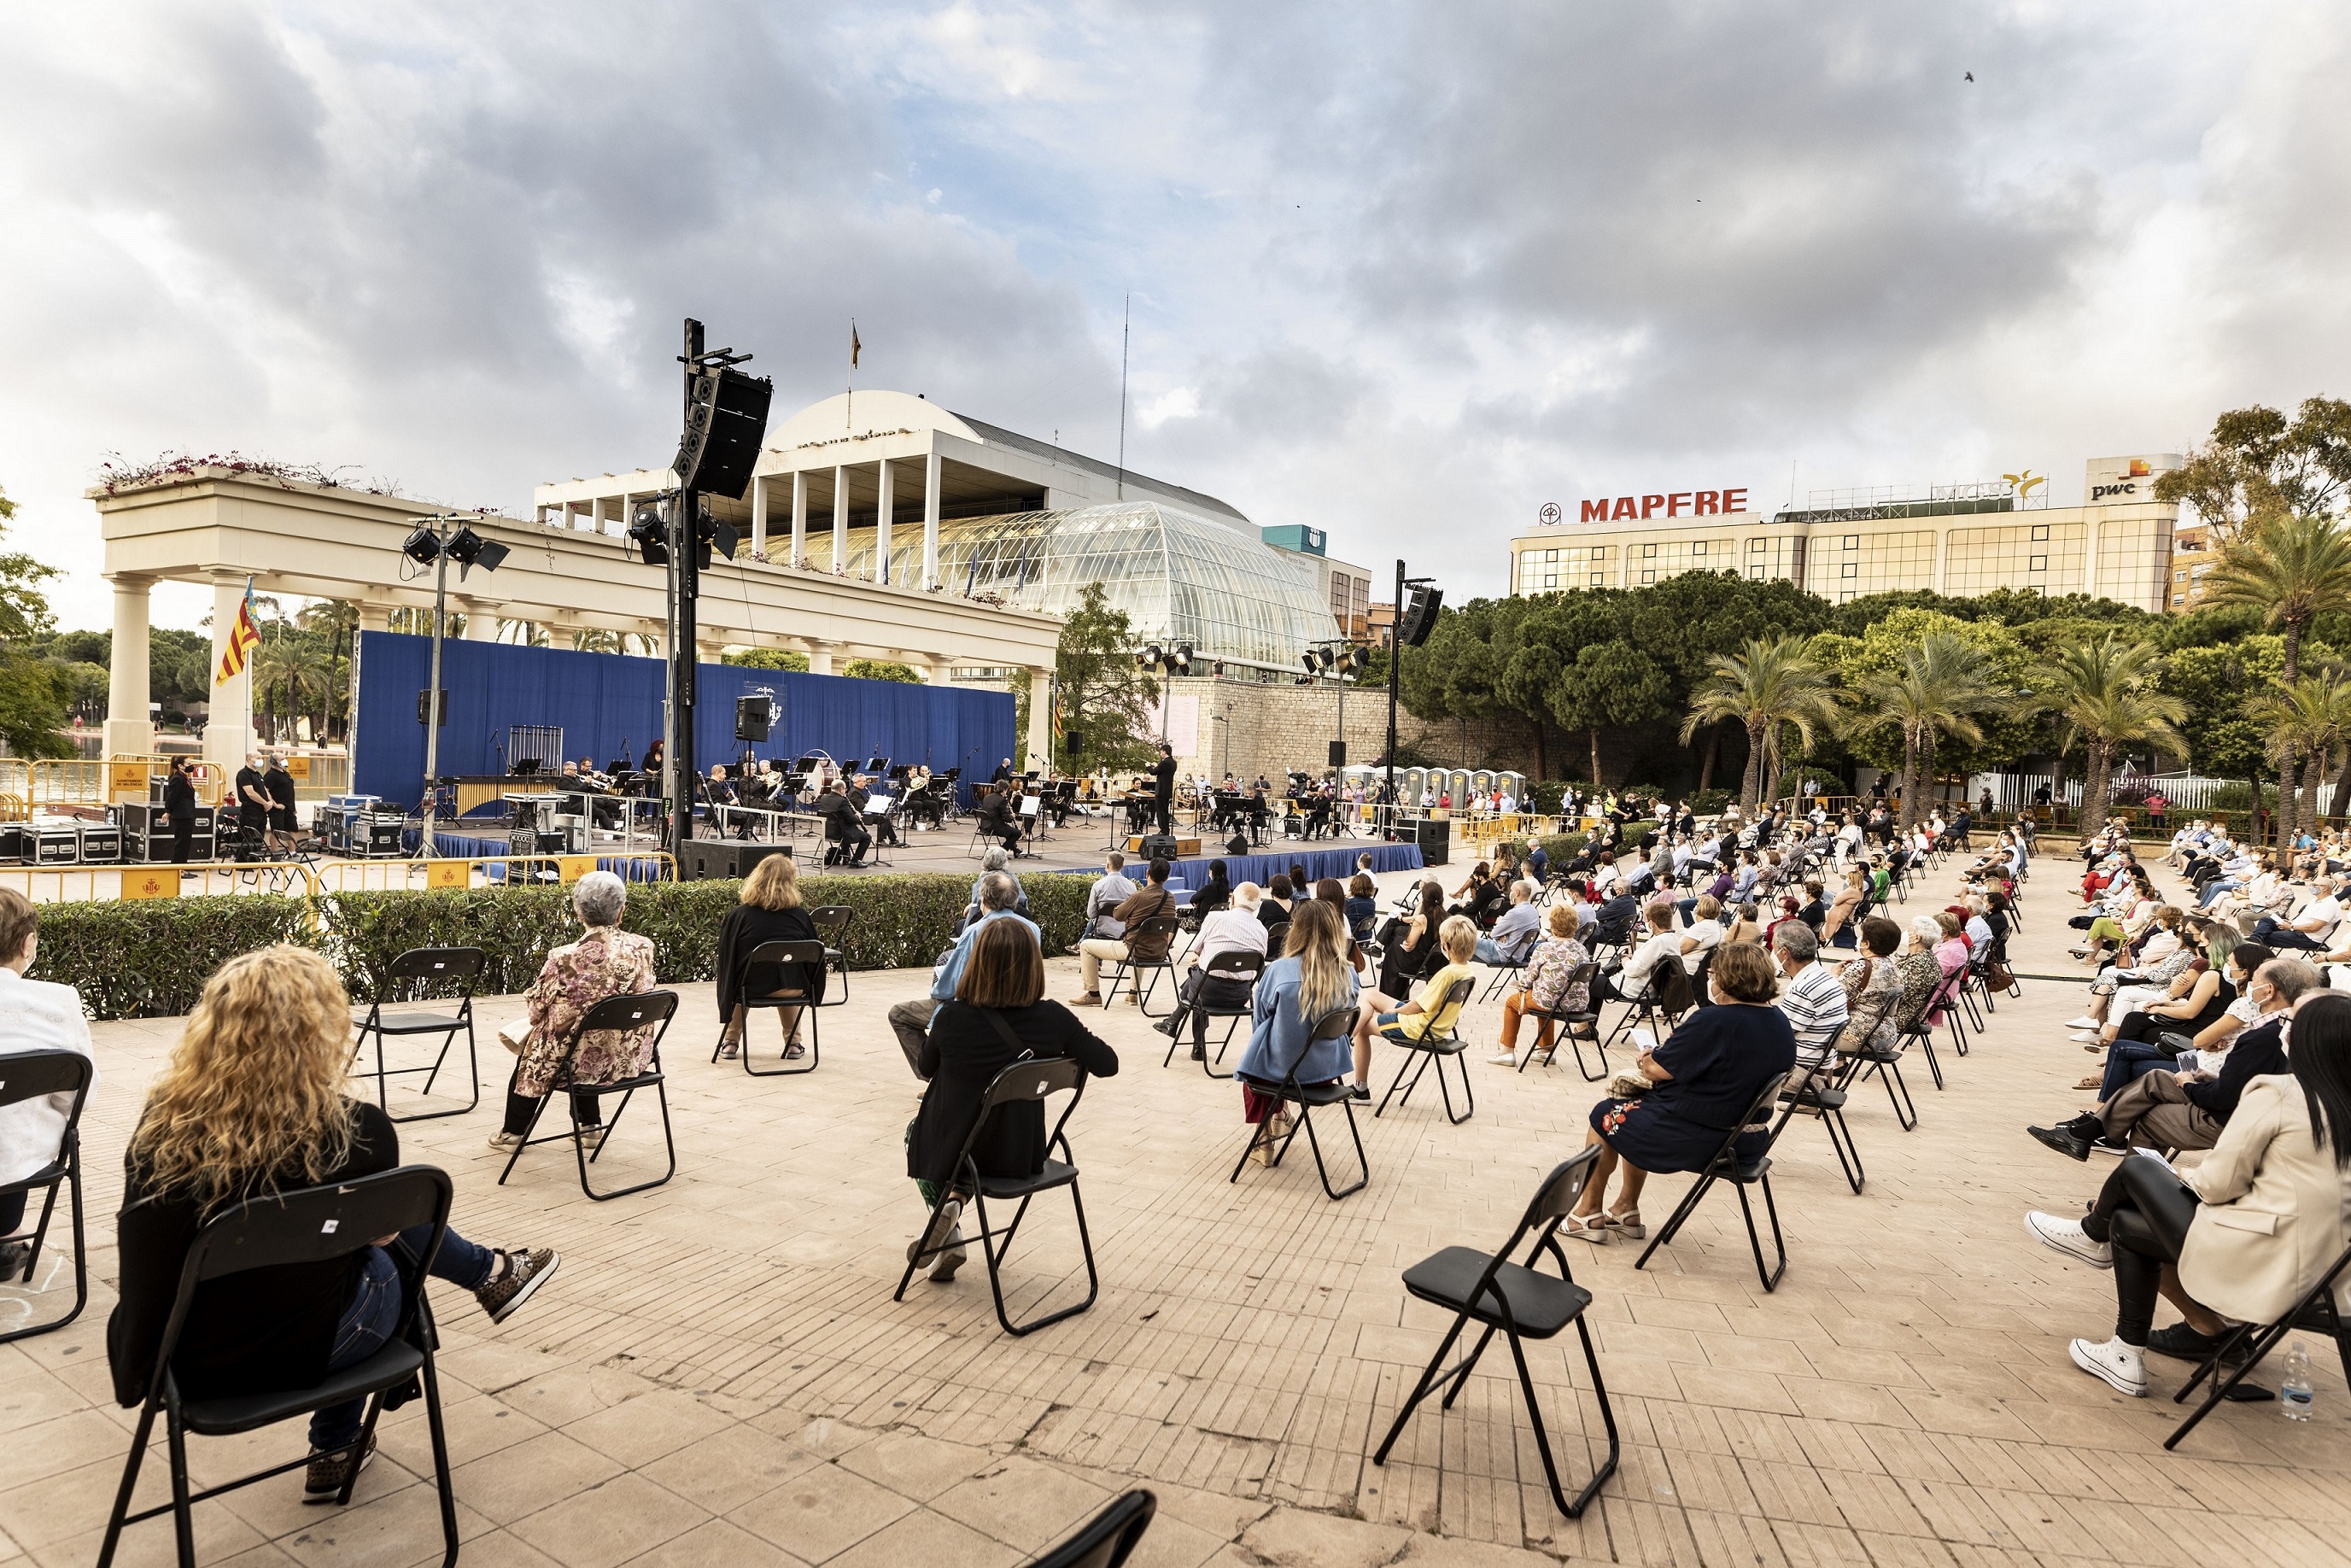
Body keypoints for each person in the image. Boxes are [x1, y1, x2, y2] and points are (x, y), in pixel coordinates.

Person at [108, 946, 559, 1501]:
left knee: (364, 1229)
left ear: (210, 1029)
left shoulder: (160, 1131)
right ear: (323, 1029)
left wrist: (141, 1358)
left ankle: (489, 1276)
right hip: (325, 1341)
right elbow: (385, 1239)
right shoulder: (359, 1131)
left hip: (187, 1358)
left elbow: (146, 1257)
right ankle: (338, 1440)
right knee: (383, 1239)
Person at [2025, 988, 2351, 1397]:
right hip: (2328, 1281)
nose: (2280, 1029)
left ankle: (2097, 1244)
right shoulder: (2336, 1101)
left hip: (2262, 1266)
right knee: (2132, 1213)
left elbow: (2217, 1184)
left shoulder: (2280, 1093)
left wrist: (2180, 1178)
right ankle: (2143, 1337)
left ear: (2307, 1039)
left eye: (2287, 1024)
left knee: (2140, 1171)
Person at [904, 918, 1119, 1282]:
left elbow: (926, 1066)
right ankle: (954, 1207)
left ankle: (950, 1220)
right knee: (976, 1139)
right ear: (1033, 967)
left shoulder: (952, 1016)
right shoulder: (1053, 1017)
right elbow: (1108, 1064)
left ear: (976, 963)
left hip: (959, 1154)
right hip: (1023, 1154)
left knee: (916, 1131)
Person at [1564, 941, 1797, 1244]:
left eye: (1713, 974)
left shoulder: (1715, 1020)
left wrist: (1647, 1058)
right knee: (1635, 1108)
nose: (1710, 980)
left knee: (1605, 1114)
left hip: (1704, 1138)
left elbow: (1658, 1069)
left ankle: (1588, 1212)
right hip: (1749, 1138)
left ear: (1728, 979)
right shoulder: (1779, 1021)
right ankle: (1625, 1209)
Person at [2032, 957, 2313, 1159]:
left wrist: (2191, 1081)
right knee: (2130, 1049)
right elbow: (2187, 1006)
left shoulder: (2242, 1003)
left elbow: (2198, 1030)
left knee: (2134, 1064)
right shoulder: (2255, 1008)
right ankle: (2094, 1127)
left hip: (2196, 1062)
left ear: (2267, 988)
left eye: (2236, 966)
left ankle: (2096, 1125)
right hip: (2199, 1060)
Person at [486, 873, 658, 1151]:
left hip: (577, 1058)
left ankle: (513, 1133)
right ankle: (590, 1126)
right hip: (629, 1056)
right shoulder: (643, 947)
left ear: (579, 913)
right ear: (621, 911)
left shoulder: (564, 956)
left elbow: (536, 1008)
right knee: (587, 1033)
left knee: (545, 1043)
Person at [0, 889, 94, 1281]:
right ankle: (7, 1235)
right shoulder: (59, 1002)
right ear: (27, 944)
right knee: (16, 1125)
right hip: (22, 1161)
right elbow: (78, 1101)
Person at [1235, 899, 1360, 1161]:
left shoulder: (1280, 970)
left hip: (1284, 1072)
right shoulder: (1348, 974)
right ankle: (1280, 1115)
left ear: (1297, 930)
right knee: (1269, 1060)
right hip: (1327, 1072)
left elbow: (1259, 1019)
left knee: (1257, 1065)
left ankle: (1264, 1138)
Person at [889, 871, 1036, 1074]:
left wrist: (938, 990)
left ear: (983, 899)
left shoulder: (976, 930)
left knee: (899, 1014)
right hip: (1020, 1006)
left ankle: (936, 1078)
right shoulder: (1033, 929)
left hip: (977, 1010)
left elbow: (951, 985)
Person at [1351, 915, 1478, 1100]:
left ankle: (1360, 1088)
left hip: (1418, 1026)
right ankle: (1347, 1037)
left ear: (1447, 946)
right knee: (1371, 995)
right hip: (1434, 1022)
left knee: (1364, 1027)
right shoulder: (1467, 971)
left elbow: (1418, 1006)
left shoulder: (1447, 974)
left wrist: (1395, 1011)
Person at [713, 853, 824, 1062]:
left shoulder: (740, 915)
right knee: (789, 971)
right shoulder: (800, 916)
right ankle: (793, 1044)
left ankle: (730, 1042)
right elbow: (814, 959)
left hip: (750, 988)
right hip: (794, 989)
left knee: (739, 979)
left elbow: (726, 958)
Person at [1155, 882, 1271, 1059]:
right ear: (1257, 905)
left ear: (1232, 900)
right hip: (1240, 995)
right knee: (1199, 977)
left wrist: (1205, 958)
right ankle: (1175, 1025)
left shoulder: (1215, 918)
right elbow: (1257, 960)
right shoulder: (1262, 930)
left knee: (1197, 981)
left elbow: (1196, 948)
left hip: (1208, 992)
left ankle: (1184, 1032)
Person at [1493, 903, 1591, 1067]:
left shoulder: (1545, 948)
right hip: (1577, 1003)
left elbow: (1529, 978)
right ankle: (1546, 1051)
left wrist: (1521, 985)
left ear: (1552, 925)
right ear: (1575, 925)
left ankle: (1506, 1052)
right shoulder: (1581, 949)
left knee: (1513, 1002)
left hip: (1551, 1001)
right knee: (1545, 997)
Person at [1072, 857, 1178, 1006]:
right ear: (1167, 878)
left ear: (1147, 873)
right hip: (1159, 952)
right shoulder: (1170, 898)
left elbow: (1117, 915)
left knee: (1085, 946)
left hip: (1133, 950)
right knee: (1144, 939)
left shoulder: (1139, 896)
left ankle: (1093, 994)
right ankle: (1133, 993)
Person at [1772, 921, 1850, 1074]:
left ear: (1785, 953)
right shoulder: (1822, 978)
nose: (1773, 954)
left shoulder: (1804, 988)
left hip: (1798, 1071)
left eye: (1774, 949)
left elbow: (1778, 1031)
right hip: (1818, 1066)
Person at [1475, 880, 1541, 967]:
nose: (1510, 893)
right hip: (1518, 954)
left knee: (1463, 940)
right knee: (1461, 951)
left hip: (1502, 953)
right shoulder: (1534, 911)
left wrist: (1502, 934)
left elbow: (1493, 934)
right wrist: (1504, 933)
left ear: (1516, 893)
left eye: (1511, 890)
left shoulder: (1514, 913)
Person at [812, 780, 872, 867]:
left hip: (827, 831)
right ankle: (855, 861)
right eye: (845, 789)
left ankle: (846, 858)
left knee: (844, 827)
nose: (845, 791)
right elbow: (851, 819)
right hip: (841, 833)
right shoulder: (842, 801)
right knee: (867, 837)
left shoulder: (823, 798)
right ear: (841, 789)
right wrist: (858, 816)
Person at [1085, 851, 1137, 940]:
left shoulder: (1098, 885)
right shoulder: (1132, 886)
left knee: (1091, 921)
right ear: (1122, 867)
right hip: (1124, 930)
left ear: (1107, 865)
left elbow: (1091, 914)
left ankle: (1081, 942)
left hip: (1102, 930)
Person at [164, 756, 198, 867]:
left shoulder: (185, 778)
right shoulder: (177, 779)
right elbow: (171, 797)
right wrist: (168, 811)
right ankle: (177, 867)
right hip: (181, 815)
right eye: (188, 764)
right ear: (180, 766)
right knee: (181, 843)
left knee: (186, 843)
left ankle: (182, 867)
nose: (191, 766)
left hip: (188, 814)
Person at [233, 752, 269, 855]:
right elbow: (250, 793)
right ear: (249, 759)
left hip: (261, 811)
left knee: (259, 837)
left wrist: (269, 802)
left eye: (261, 758)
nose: (260, 760)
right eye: (258, 758)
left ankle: (255, 858)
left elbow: (264, 790)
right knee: (248, 837)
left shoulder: (258, 774)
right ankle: (244, 861)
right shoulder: (244, 773)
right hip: (250, 810)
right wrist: (264, 803)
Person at [974, 783, 1023, 856]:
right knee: (1017, 833)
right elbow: (1007, 819)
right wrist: (1012, 816)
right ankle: (1000, 853)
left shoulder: (987, 797)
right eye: (1006, 790)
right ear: (1004, 790)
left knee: (1010, 831)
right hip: (995, 827)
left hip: (984, 825)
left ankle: (1015, 850)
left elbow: (994, 812)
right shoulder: (1002, 800)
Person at [1151, 743, 1178, 836]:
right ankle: (1166, 830)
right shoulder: (1173, 763)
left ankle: (1163, 830)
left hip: (1161, 790)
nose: (1160, 754)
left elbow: (1153, 772)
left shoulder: (1165, 762)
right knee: (1165, 811)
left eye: (1161, 752)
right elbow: (1162, 770)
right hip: (1167, 790)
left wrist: (1148, 766)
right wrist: (1157, 766)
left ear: (1164, 752)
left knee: (1160, 812)